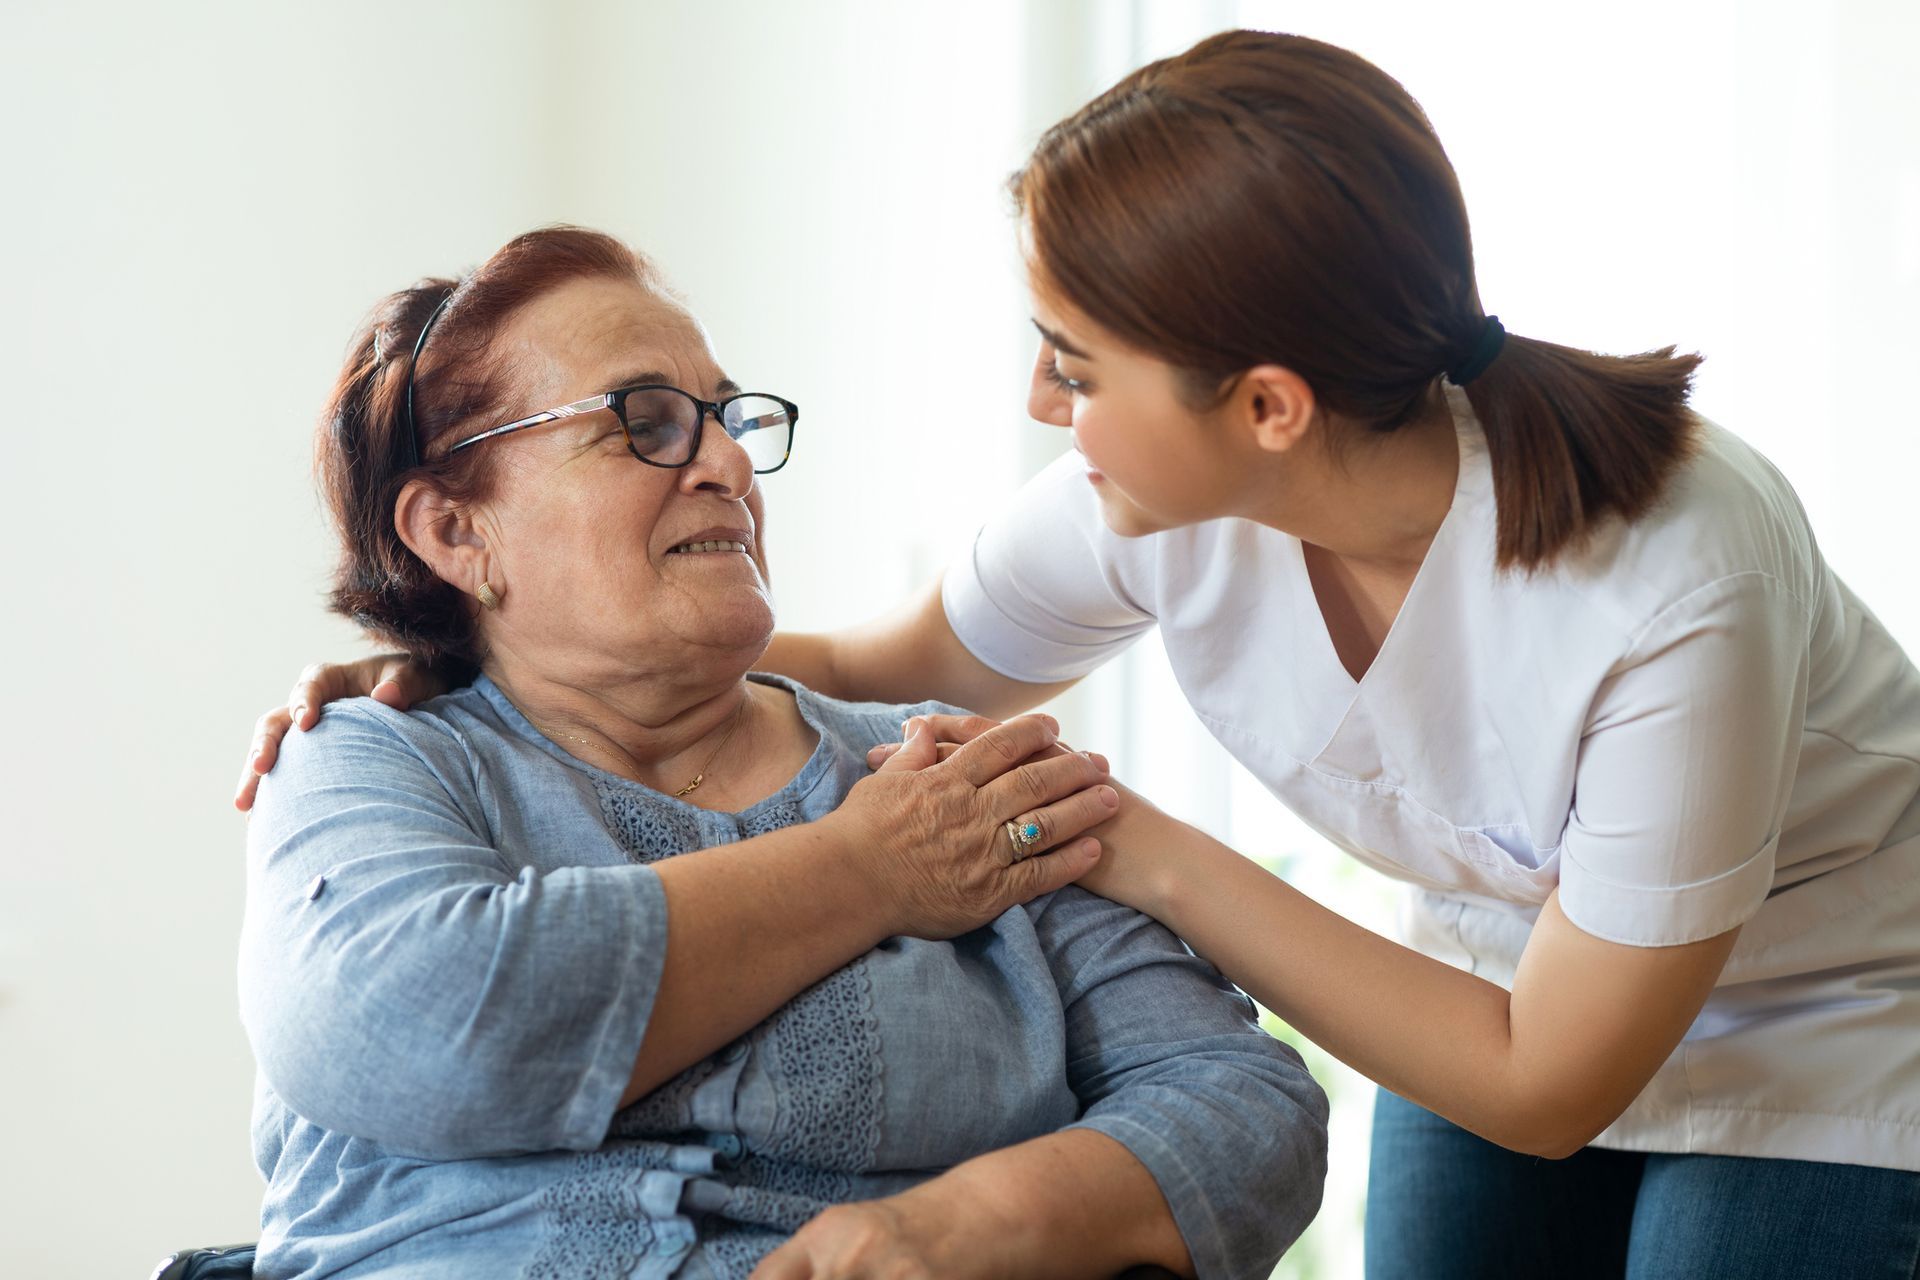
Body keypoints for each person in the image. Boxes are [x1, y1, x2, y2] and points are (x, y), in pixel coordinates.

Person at [242, 30, 1920, 1278]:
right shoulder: (400, 779)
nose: (1044, 406)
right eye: (643, 424)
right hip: (1491, 980)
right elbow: (897, 662)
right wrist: (448, 666)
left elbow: (1410, 1094)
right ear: (446, 535)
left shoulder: (1679, 582)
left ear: (1268, 409)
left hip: (1816, 1017)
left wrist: (1017, 1159)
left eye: (1074, 358)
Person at [239, 225, 1328, 1280]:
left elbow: (1239, 1097)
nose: (724, 461)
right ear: (455, 532)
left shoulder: (947, 770)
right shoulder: (364, 759)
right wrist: (872, 868)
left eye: (724, 418)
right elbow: (423, 1023)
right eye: (646, 421)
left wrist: (965, 1223)